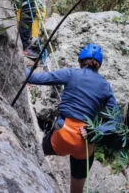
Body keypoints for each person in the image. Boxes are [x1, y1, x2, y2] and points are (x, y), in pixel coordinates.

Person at [26, 43, 122, 193]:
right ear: (99, 65)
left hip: (62, 134)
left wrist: (21, 67)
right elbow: (117, 121)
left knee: (38, 151)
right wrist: (97, 130)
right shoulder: (105, 86)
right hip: (83, 141)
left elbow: (34, 78)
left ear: (81, 60)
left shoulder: (71, 73)